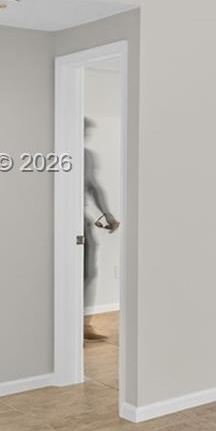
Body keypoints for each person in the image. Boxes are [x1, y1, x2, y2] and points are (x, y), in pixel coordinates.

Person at [83, 118, 119, 341]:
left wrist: (108, 214)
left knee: (88, 272)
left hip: (81, 222)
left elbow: (94, 186)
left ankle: (84, 325)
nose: (86, 134)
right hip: (60, 222)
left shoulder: (87, 156)